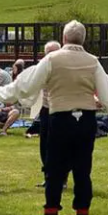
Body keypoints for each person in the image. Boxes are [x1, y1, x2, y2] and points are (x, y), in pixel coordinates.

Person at [0, 20, 108, 215]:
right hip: (85, 120)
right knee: (83, 171)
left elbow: (25, 86)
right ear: (83, 40)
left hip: (60, 118)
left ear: (64, 38)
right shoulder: (93, 62)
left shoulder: (52, 59)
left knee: (54, 170)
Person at [35, 41, 61, 187]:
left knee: (60, 145)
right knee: (44, 143)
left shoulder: (65, 67)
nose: (51, 55)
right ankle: (48, 176)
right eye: (48, 52)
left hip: (61, 109)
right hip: (46, 108)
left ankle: (61, 177)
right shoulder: (41, 68)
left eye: (54, 52)